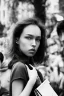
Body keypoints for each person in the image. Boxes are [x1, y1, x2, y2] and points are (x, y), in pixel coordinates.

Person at [8, 17, 46, 96]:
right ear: (17, 39)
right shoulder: (20, 67)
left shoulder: (29, 67)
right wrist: (31, 81)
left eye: (38, 39)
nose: (34, 44)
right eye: (29, 37)